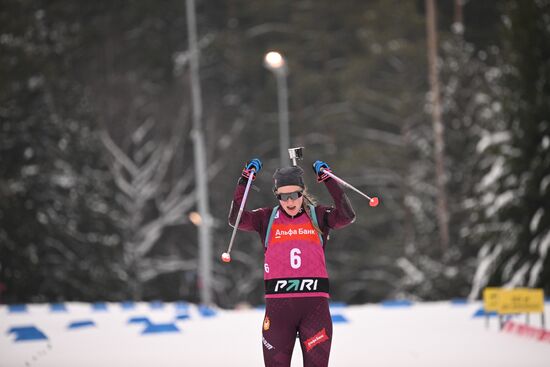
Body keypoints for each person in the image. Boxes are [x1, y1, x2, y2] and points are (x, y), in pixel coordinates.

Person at [228, 158, 356, 367]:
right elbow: (236, 219)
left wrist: (328, 179)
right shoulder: (266, 218)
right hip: (279, 313)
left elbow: (347, 216)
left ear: (302, 192)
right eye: (283, 196)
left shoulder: (318, 216)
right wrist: (245, 181)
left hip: (314, 310)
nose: (289, 202)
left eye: (295, 195)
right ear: (277, 196)